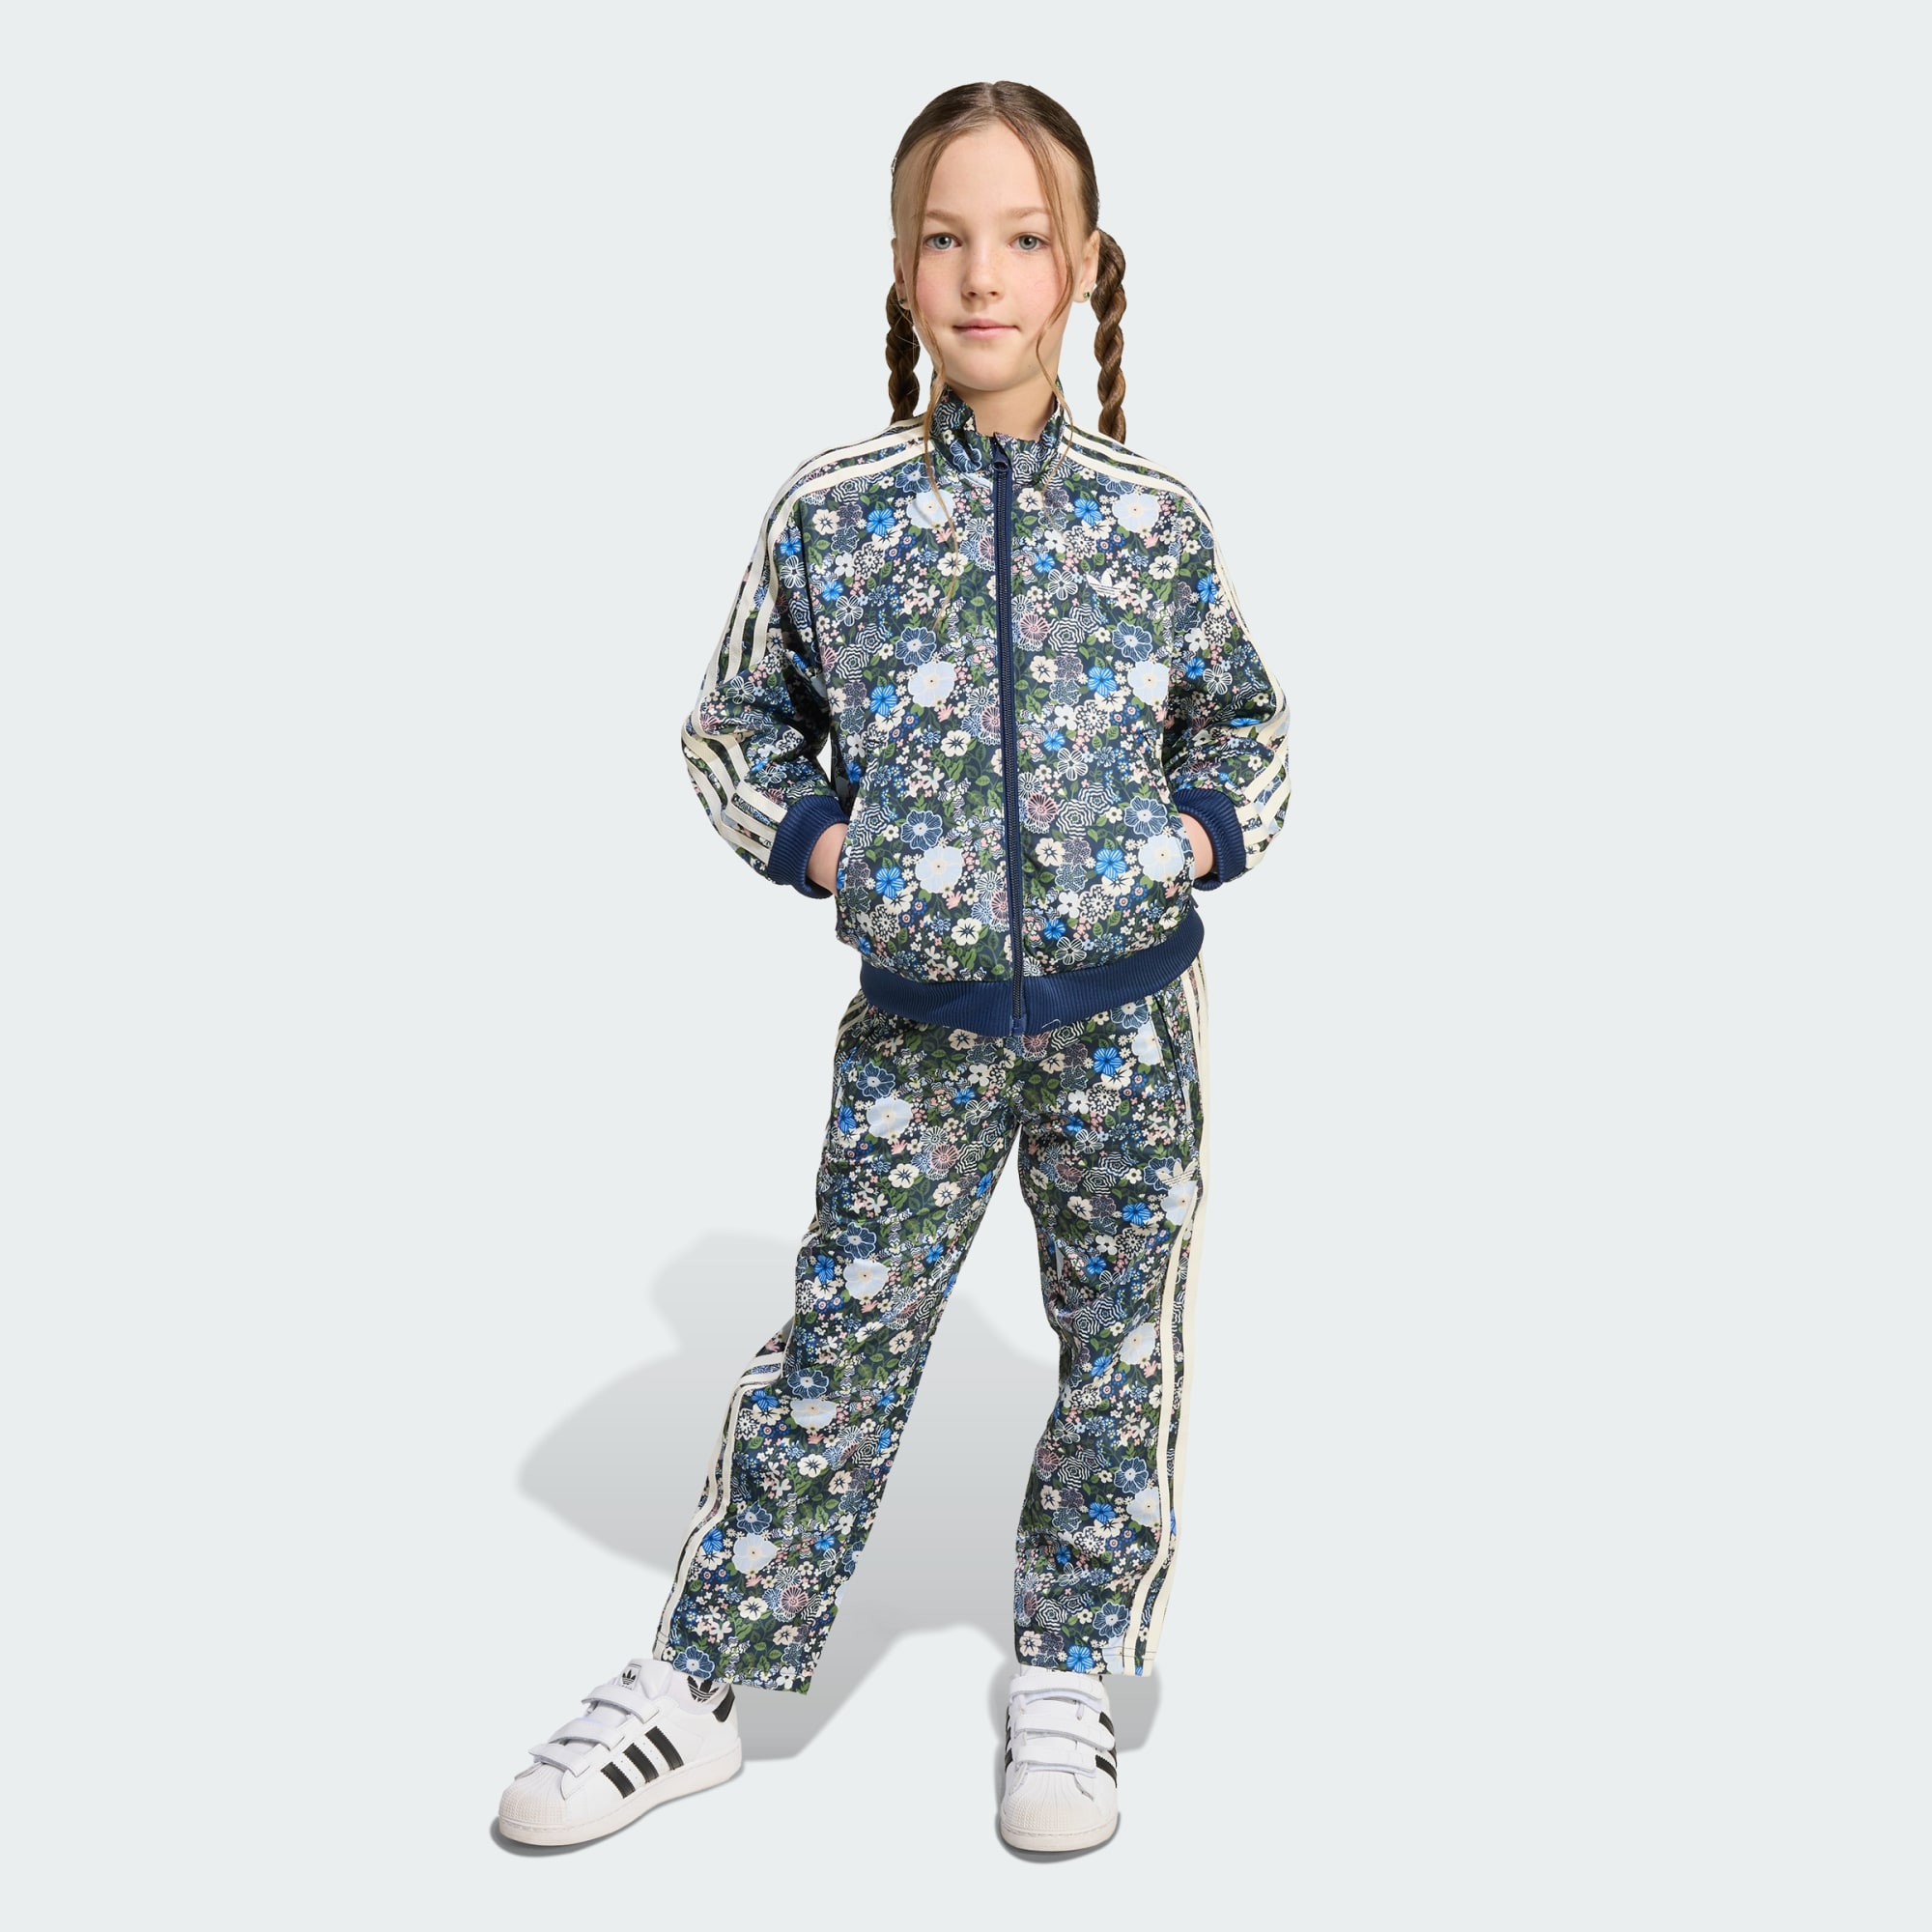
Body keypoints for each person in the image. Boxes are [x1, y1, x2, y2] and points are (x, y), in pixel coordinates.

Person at [497, 78, 1290, 1856]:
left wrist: (1185, 839)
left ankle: (1068, 1677)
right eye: (946, 238)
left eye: (1022, 238)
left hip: (1127, 1025)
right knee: (845, 1342)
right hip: (919, 1031)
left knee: (1121, 1352)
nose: (982, 275)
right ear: (902, 268)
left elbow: (1248, 726)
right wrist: (829, 848)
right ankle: (703, 1686)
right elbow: (731, 727)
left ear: (1083, 269)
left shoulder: (1155, 522)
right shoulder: (835, 515)